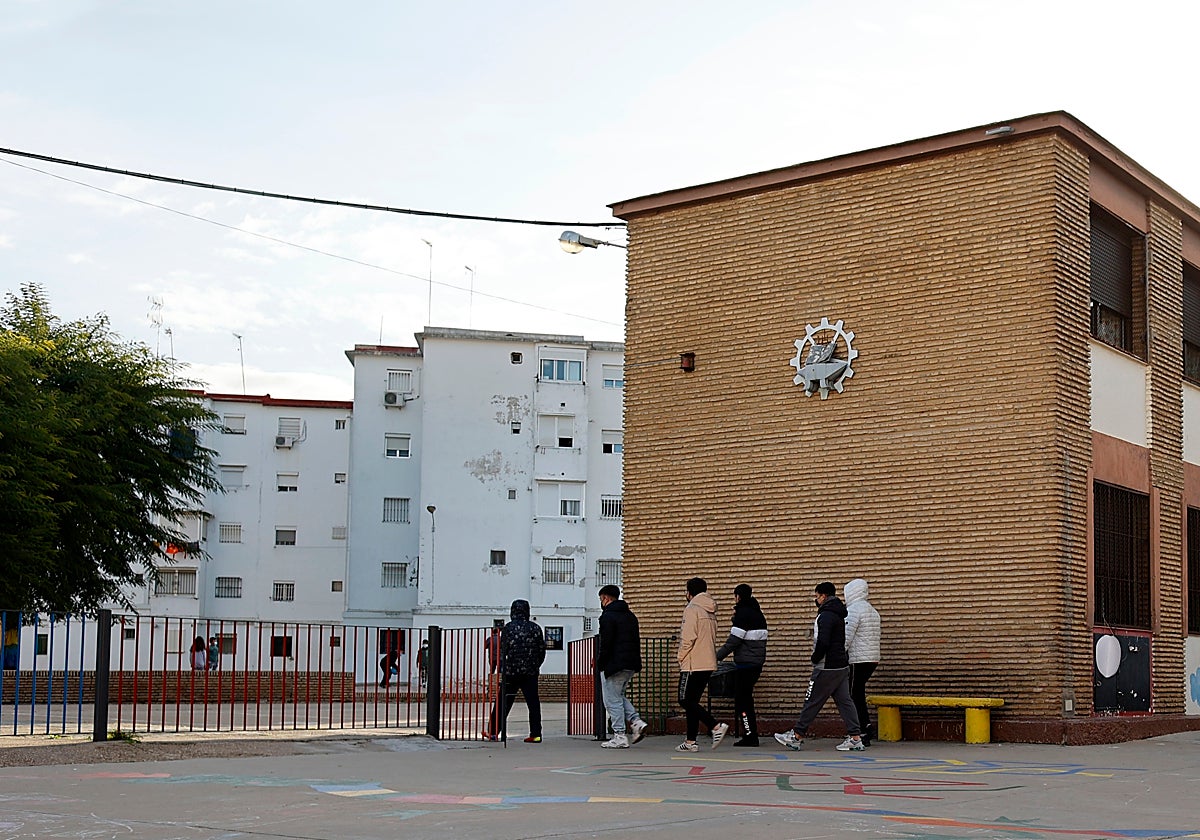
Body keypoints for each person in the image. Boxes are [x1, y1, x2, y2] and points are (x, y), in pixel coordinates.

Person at [774, 582, 864, 752]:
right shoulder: (838, 614)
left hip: (826, 667)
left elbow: (823, 641)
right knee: (845, 702)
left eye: (817, 596)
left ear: (823, 596)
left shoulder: (826, 616)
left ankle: (796, 736)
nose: (816, 600)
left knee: (812, 700)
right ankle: (855, 738)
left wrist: (815, 657)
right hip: (841, 665)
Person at [676, 577, 729, 752]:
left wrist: (680, 656)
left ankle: (715, 726)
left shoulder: (692, 609)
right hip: (708, 662)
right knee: (693, 702)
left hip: (693, 662)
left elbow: (688, 637)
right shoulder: (710, 611)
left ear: (689, 592)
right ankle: (690, 741)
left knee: (684, 699)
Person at [483, 600, 546, 743]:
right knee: (533, 703)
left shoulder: (508, 628)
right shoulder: (535, 628)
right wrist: (535, 665)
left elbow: (503, 650)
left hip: (511, 672)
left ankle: (493, 732)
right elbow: (541, 651)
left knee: (502, 702)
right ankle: (536, 734)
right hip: (530, 672)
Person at [715, 583, 768, 746]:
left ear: (737, 596)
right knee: (744, 699)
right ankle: (750, 734)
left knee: (743, 701)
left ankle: (751, 735)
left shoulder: (743, 614)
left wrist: (716, 657)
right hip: (756, 663)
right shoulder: (758, 613)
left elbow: (733, 641)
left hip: (746, 665)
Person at [596, 584, 648, 749]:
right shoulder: (630, 616)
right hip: (630, 663)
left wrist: (600, 663)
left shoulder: (607, 617)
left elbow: (606, 643)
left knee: (611, 700)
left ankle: (619, 735)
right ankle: (635, 721)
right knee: (618, 696)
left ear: (606, 598)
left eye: (601, 599)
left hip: (614, 664)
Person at [844, 578, 881, 747]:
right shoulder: (872, 611)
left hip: (856, 660)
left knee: (852, 696)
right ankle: (865, 727)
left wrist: (839, 653)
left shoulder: (853, 611)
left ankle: (859, 732)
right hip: (872, 658)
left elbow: (847, 636)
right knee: (857, 693)